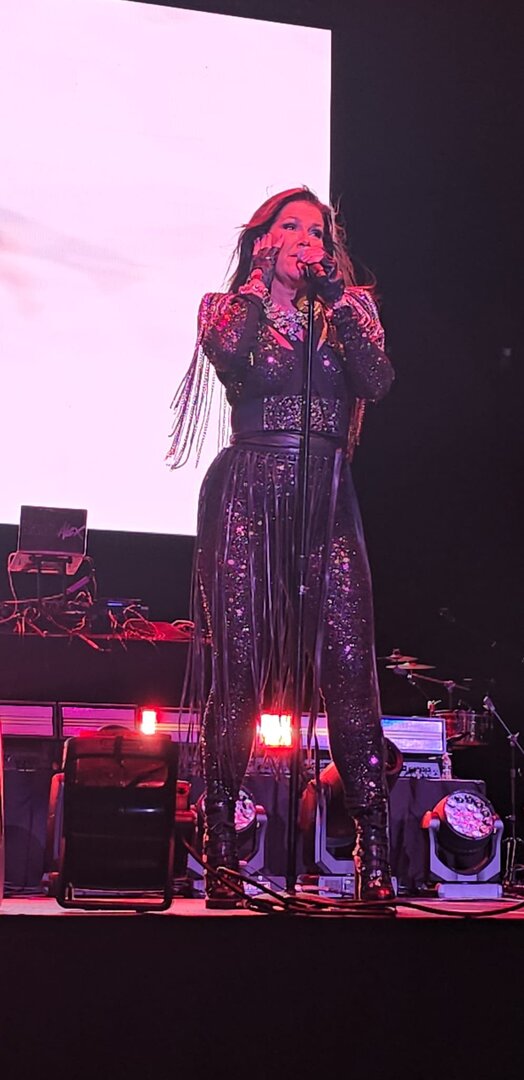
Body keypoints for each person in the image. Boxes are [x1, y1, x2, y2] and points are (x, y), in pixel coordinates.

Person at [167, 186, 395, 906]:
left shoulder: (350, 310)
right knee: (238, 673)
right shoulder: (227, 306)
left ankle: (373, 855)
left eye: (317, 231)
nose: (306, 239)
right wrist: (260, 284)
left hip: (326, 500)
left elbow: (376, 381)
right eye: (289, 227)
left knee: (351, 671)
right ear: (262, 240)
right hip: (248, 496)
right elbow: (228, 352)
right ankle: (222, 852)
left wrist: (335, 297)